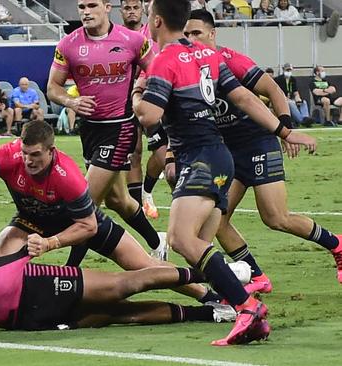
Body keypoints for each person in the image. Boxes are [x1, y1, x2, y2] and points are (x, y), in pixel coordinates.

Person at [132, 0, 316, 345]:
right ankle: (243, 301)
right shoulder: (207, 55)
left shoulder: (164, 61)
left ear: (155, 21)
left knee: (182, 240)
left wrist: (137, 93)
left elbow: (148, 117)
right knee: (200, 243)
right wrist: (286, 132)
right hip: (221, 157)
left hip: (200, 158)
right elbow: (246, 99)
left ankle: (247, 306)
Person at [0, 121, 235, 304]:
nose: (28, 161)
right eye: (25, 154)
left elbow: (87, 226)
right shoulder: (11, 155)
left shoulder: (68, 176)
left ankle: (210, 293)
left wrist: (51, 243)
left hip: (81, 224)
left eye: (36, 155)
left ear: (52, 151)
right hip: (30, 221)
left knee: (145, 267)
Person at [184, 10, 342, 295]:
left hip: (258, 142)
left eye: (197, 33)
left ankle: (337, 244)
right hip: (227, 151)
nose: (191, 39)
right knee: (217, 220)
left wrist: (285, 128)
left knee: (275, 218)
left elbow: (272, 89)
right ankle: (257, 276)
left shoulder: (231, 60)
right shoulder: (188, 66)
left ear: (212, 34)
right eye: (187, 34)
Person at [0, 225, 242, 334]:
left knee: (124, 284)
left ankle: (216, 276)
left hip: (32, 281)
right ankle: (212, 316)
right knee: (116, 315)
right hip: (24, 320)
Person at [47, 0, 163, 265]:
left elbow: (156, 73)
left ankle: (70, 271)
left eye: (92, 5)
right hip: (90, 130)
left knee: (86, 202)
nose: (86, 11)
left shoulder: (133, 40)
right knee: (118, 200)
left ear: (107, 7)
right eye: (81, 7)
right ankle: (158, 243)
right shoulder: (68, 44)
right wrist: (71, 101)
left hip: (120, 127)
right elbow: (52, 87)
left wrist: (145, 101)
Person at [120, 0, 169, 224]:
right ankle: (137, 207)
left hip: (154, 98)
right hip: (125, 101)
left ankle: (147, 190)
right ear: (120, 10)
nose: (131, 12)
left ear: (142, 10)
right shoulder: (116, 37)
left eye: (135, 8)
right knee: (135, 152)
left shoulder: (150, 31)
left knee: (162, 153)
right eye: (127, 8)